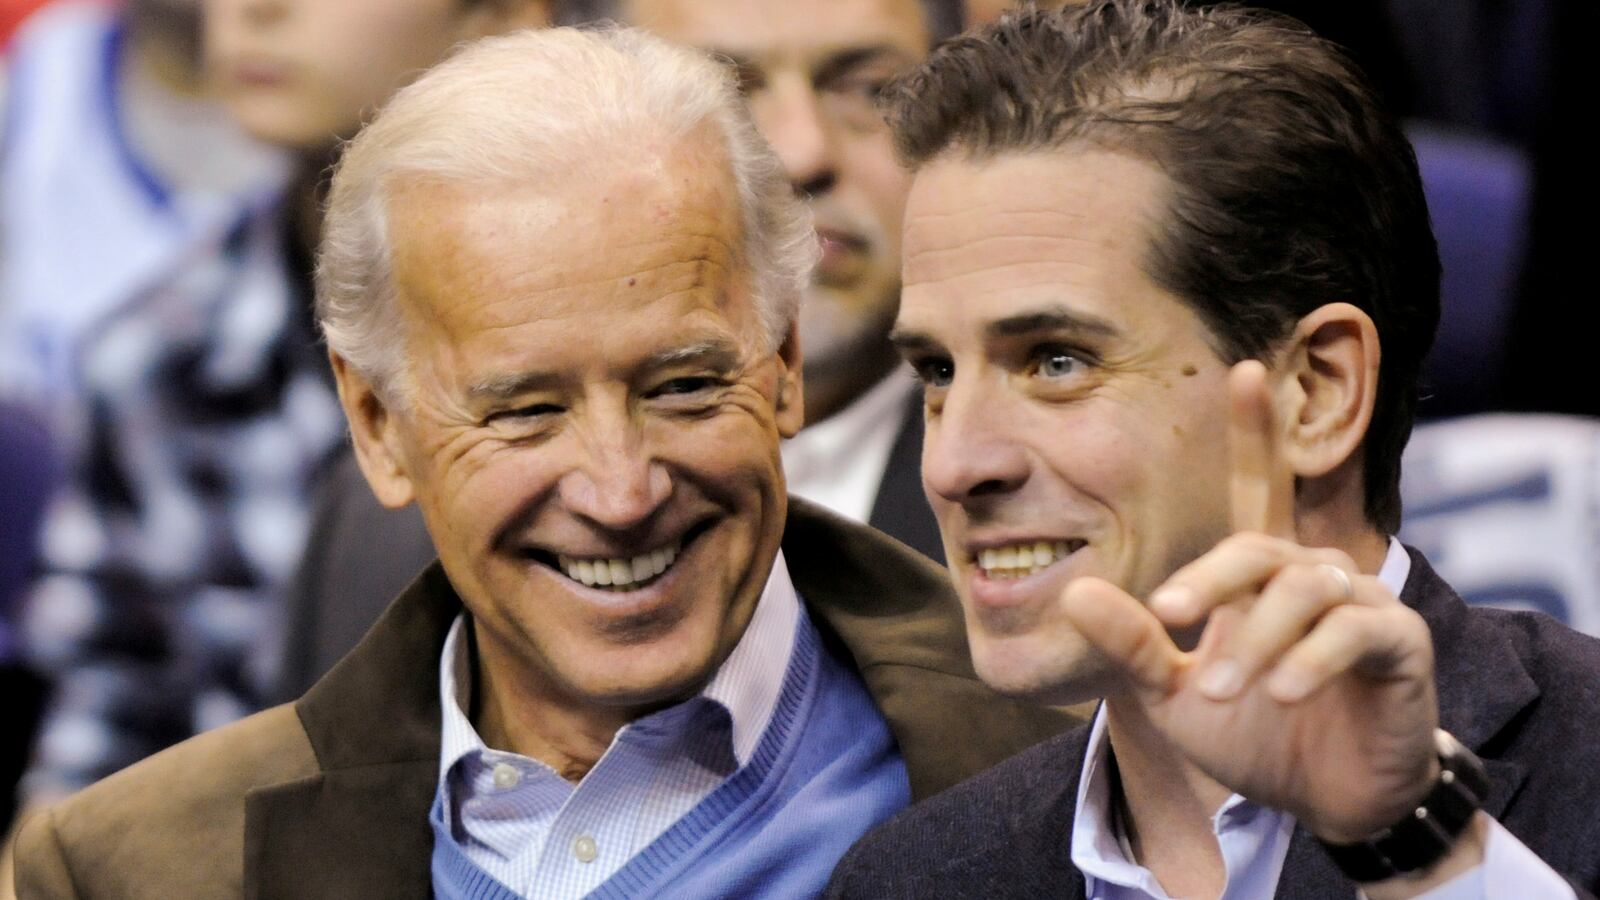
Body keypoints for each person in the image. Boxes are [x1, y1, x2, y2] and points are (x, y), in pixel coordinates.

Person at [12, 26, 1073, 898]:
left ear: (783, 360)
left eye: (680, 387)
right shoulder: (130, 871)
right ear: (378, 425)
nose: (621, 492)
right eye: (524, 411)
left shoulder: (1085, 789)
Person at [826, 2, 1600, 897]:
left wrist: (1417, 848)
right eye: (936, 371)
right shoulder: (909, 880)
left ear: (1315, 393)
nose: (955, 465)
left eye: (1057, 361)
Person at [276, 0, 963, 701]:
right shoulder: (367, 541)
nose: (799, 152)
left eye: (871, 90)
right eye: (729, 87)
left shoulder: (1035, 499)